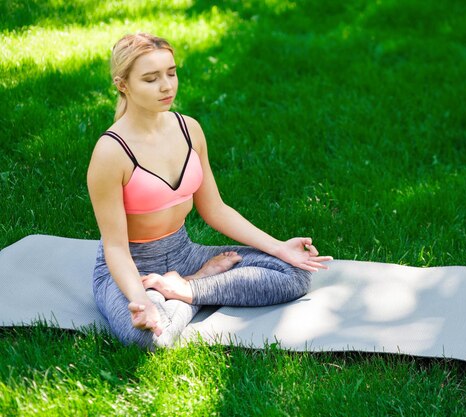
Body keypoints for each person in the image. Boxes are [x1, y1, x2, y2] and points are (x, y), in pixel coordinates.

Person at [87, 33, 332, 349]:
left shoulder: (189, 129)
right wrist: (140, 299)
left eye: (171, 73)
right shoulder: (111, 152)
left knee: (293, 273)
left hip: (183, 253)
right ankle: (183, 287)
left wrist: (279, 247)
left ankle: (187, 288)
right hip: (129, 268)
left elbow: (215, 209)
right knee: (149, 338)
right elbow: (116, 248)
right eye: (151, 79)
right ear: (123, 84)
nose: (167, 86)